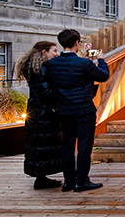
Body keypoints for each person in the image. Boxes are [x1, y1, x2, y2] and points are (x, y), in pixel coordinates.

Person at [43, 29, 109, 192]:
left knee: (67, 145)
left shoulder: (52, 64)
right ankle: (82, 181)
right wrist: (100, 60)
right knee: (84, 146)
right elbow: (103, 76)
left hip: (65, 109)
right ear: (77, 43)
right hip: (84, 109)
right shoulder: (84, 64)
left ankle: (68, 181)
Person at [15, 41, 62, 190]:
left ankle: (41, 176)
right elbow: (46, 92)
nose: (56, 54)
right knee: (44, 144)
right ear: (44, 51)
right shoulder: (41, 69)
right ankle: (41, 178)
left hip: (35, 111)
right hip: (44, 112)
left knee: (37, 144)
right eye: (53, 51)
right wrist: (60, 94)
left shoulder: (31, 67)